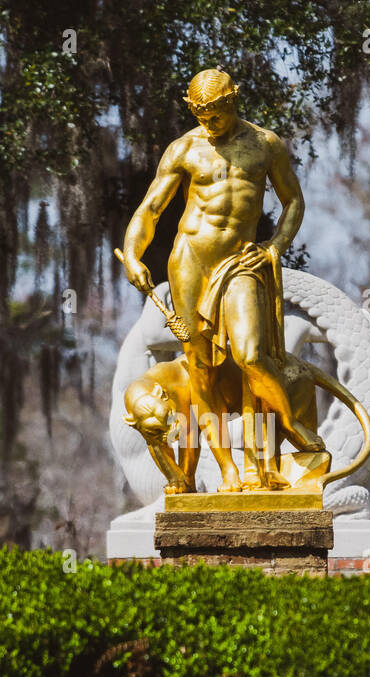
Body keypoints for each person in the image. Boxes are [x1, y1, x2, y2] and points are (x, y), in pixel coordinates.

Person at [121, 68, 323, 491]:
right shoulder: (185, 148)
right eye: (200, 115)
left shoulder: (265, 145)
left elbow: (293, 201)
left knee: (251, 356)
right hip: (190, 260)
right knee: (201, 369)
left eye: (215, 114)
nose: (208, 124)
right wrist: (134, 255)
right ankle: (229, 470)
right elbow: (150, 209)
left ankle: (292, 431)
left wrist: (274, 247)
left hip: (241, 263)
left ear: (232, 101)